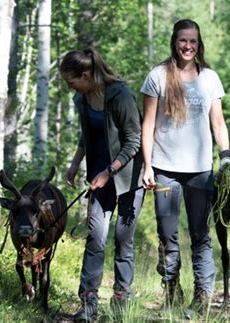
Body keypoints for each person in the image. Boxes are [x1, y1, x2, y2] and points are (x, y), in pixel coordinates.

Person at [140, 19, 230, 317]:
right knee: (168, 235)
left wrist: (226, 155)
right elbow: (148, 125)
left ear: (199, 42)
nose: (188, 46)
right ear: (174, 41)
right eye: (183, 40)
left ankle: (203, 296)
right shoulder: (157, 76)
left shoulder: (209, 78)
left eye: (193, 41)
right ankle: (171, 291)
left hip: (200, 171)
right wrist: (146, 166)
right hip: (164, 168)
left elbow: (218, 122)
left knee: (200, 235)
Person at [60, 46, 144, 321]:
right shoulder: (81, 100)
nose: (70, 87)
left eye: (72, 81)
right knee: (95, 237)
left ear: (85, 75)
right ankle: (88, 305)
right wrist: (75, 162)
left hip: (128, 175)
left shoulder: (120, 95)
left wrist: (110, 170)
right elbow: (88, 135)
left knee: (123, 239)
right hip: (99, 176)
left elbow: (134, 140)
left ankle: (122, 302)